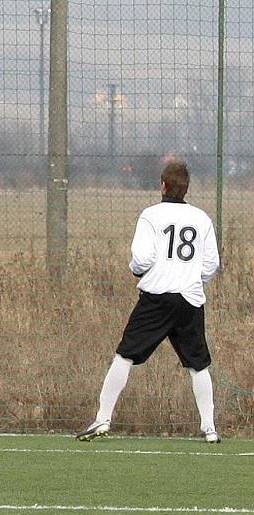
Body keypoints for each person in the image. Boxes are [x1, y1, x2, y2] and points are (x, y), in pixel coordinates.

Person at [76, 160, 221, 443]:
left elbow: (141, 259)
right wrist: (189, 275)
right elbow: (211, 265)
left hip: (156, 298)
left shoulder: (150, 215)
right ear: (186, 188)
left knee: (125, 355)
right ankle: (210, 428)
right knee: (198, 364)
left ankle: (103, 419)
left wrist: (140, 270)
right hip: (190, 300)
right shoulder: (202, 218)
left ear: (163, 186)